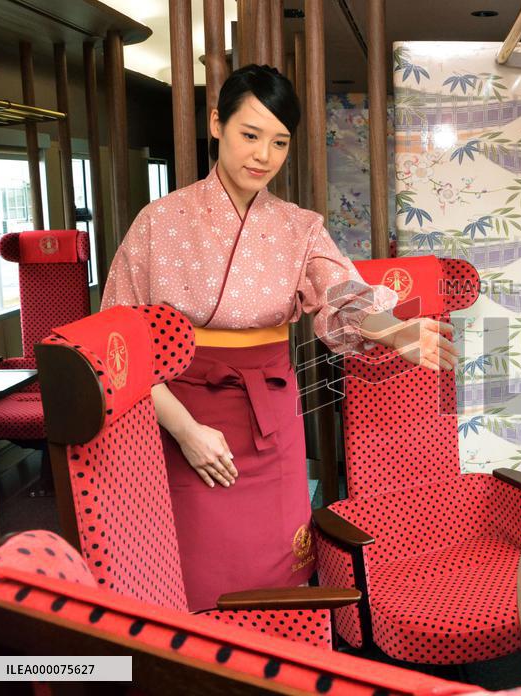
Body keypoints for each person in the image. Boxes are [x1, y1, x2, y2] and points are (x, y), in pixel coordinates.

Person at [101, 65, 457, 611]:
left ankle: (283, 654)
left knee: (279, 567)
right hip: (182, 414)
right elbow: (121, 341)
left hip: (271, 413)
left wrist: (396, 330)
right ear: (216, 124)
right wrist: (186, 431)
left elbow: (341, 294)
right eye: (250, 134)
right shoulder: (158, 221)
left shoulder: (299, 226)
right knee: (200, 567)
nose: (263, 155)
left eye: (279, 142)